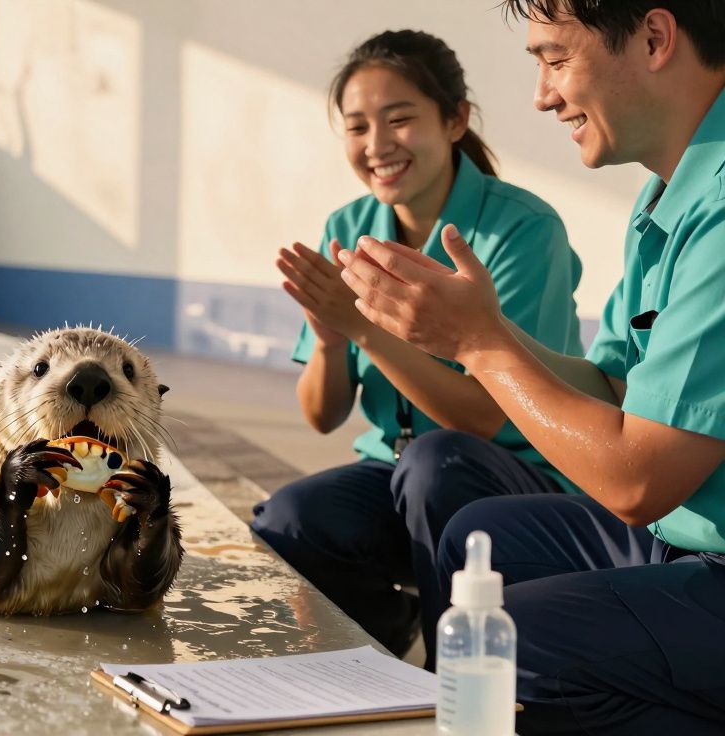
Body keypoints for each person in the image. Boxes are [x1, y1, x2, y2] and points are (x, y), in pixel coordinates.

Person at [335, 2, 725, 733]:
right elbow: (613, 384)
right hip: (687, 533)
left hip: (699, 544)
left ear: (653, 37)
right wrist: (475, 332)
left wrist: (479, 345)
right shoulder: (668, 194)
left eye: (554, 60)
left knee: (507, 645)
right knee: (480, 541)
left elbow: (637, 481)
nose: (543, 95)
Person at [251, 29, 584, 667]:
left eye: (400, 119)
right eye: (356, 127)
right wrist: (328, 337)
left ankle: (452, 673)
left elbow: (482, 420)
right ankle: (376, 640)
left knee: (438, 464)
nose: (377, 146)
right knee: (290, 517)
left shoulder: (522, 230)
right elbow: (322, 415)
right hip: (398, 473)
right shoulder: (347, 228)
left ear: (456, 119)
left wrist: (366, 330)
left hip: (510, 479)